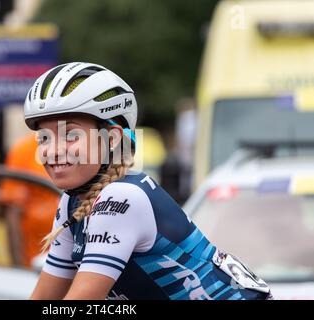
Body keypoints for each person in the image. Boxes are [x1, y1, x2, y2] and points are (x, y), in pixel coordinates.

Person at [23, 62, 272, 300]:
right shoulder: (72, 202)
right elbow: (45, 297)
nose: (53, 150)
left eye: (70, 135)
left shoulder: (120, 198)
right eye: (44, 138)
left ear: (112, 138)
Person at [0, 133, 59, 267]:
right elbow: (13, 213)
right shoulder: (24, 149)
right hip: (35, 261)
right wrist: (18, 265)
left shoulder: (79, 145)